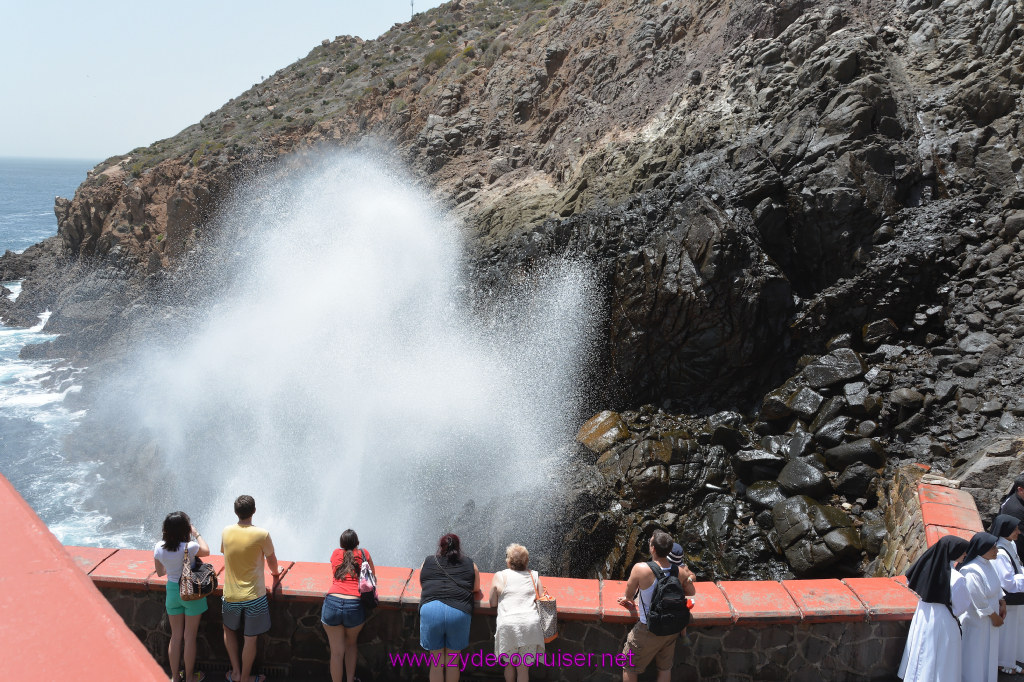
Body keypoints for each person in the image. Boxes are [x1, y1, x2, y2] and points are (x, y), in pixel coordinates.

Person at [616, 530, 696, 682]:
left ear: (652, 548)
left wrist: (628, 599)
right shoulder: (679, 571)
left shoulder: (640, 569)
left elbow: (629, 592)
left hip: (648, 629)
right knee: (665, 668)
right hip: (671, 629)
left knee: (628, 665)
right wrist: (688, 578)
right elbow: (691, 592)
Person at [221, 495, 280, 682]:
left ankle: (236, 673)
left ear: (235, 511)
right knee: (250, 638)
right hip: (255, 596)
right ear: (254, 511)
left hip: (230, 595)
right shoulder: (262, 534)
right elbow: (271, 561)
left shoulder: (226, 531)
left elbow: (226, 553)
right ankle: (245, 678)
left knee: (229, 630)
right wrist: (276, 573)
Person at [898, 534, 971, 682]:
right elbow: (961, 606)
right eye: (963, 550)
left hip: (923, 614)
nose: (965, 554)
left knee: (921, 650)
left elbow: (910, 581)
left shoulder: (925, 568)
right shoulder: (957, 579)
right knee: (941, 657)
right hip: (943, 619)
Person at [154, 511, 211, 682]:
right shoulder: (190, 547)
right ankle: (190, 677)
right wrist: (196, 533)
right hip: (191, 591)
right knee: (189, 637)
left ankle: (175, 678)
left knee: (176, 636)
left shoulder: (159, 548)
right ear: (185, 529)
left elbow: (159, 572)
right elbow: (207, 551)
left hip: (172, 591)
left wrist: (172, 567)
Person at [419, 533, 480, 682]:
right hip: (458, 612)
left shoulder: (427, 561)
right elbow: (476, 588)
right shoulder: (470, 564)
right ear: (458, 547)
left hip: (431, 610)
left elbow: (423, 584)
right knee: (453, 662)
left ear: (441, 547)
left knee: (436, 663)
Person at [322, 529, 374, 682]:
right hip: (354, 604)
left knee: (336, 653)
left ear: (341, 544)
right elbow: (372, 576)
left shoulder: (335, 554)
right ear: (357, 543)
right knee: (351, 645)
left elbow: (335, 572)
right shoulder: (364, 554)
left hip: (332, 602)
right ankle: (350, 679)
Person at [488, 544, 545, 682]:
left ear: (508, 560)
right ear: (526, 561)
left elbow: (492, 603)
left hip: (508, 625)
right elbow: (542, 600)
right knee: (523, 667)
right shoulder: (534, 576)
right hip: (530, 626)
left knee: (509, 665)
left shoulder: (500, 576)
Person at [959, 532, 1005, 682]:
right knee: (976, 654)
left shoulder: (988, 563)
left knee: (989, 652)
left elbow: (996, 585)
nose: (997, 550)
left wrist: (1002, 601)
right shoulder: (971, 571)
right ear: (982, 549)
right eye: (993, 548)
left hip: (991, 617)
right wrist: (995, 617)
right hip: (977, 620)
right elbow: (978, 599)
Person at [991, 515, 1024, 675]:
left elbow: (1018, 567)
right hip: (1010, 600)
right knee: (1008, 635)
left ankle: (1012, 660)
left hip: (1018, 599)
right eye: (1015, 528)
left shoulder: (1010, 544)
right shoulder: (1001, 552)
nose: (1018, 531)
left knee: (1016, 632)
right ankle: (1003, 663)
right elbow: (1008, 582)